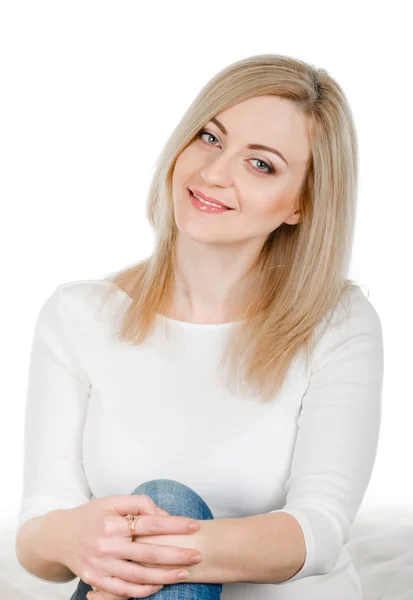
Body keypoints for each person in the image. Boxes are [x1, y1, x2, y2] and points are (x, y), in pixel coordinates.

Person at [15, 53, 383, 600]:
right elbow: (39, 536)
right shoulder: (78, 316)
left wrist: (146, 552)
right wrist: (71, 535)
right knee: (163, 504)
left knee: (166, 500)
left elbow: (320, 527)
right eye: (210, 138)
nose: (213, 173)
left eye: (261, 164)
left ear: (301, 203)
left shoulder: (336, 324)